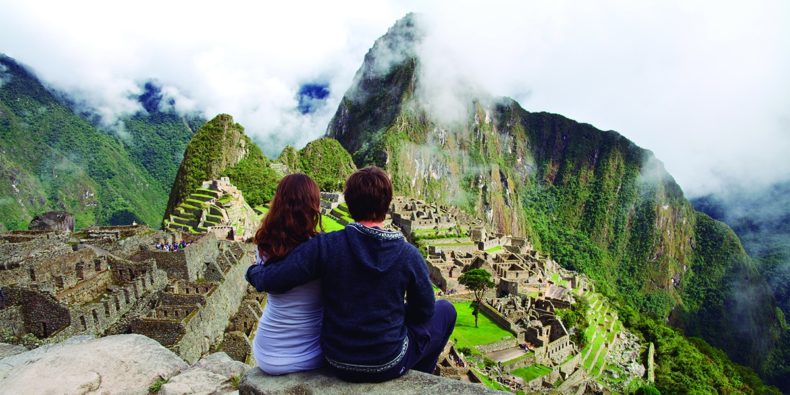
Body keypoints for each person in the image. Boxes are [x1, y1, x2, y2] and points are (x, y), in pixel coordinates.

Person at [247, 166, 456, 383]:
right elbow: (424, 311)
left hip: (337, 360)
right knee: (446, 311)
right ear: (387, 203)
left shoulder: (326, 246)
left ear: (348, 203)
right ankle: (421, 381)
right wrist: (390, 313)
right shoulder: (408, 254)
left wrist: (253, 271)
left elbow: (274, 278)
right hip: (387, 363)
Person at [249, 173, 324, 375]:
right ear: (313, 205)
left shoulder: (263, 245)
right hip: (310, 354)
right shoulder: (320, 248)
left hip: (266, 352)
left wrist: (252, 273)